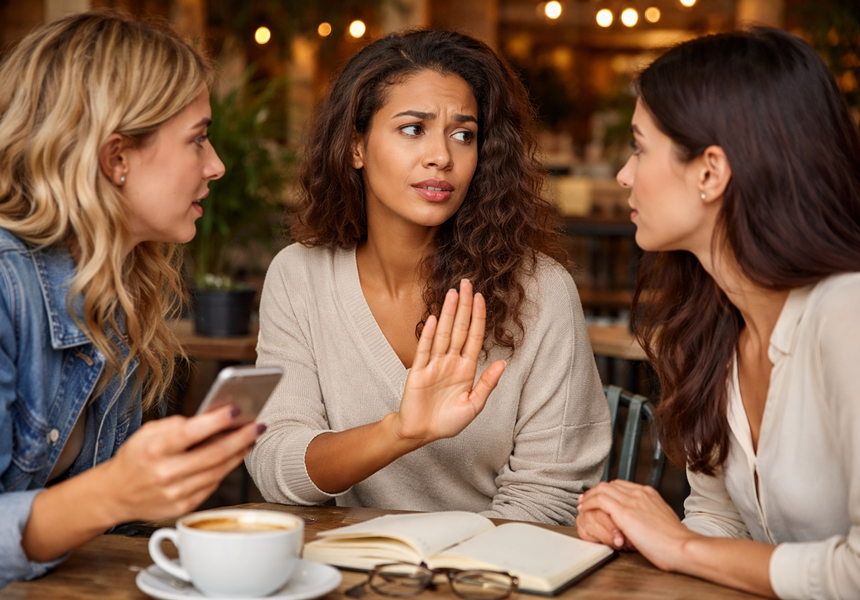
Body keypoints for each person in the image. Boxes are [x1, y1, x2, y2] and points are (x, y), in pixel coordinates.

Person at [246, 29, 610, 525]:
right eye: (413, 128)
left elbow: (551, 495)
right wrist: (399, 431)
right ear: (355, 145)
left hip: (499, 574)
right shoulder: (299, 276)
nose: (442, 155)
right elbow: (275, 465)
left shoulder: (540, 290)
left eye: (464, 134)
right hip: (358, 565)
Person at [0, 12, 264, 597]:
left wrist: (161, 485)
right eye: (198, 139)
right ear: (116, 157)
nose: (216, 165)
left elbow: (109, 540)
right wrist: (114, 491)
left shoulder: (113, 289)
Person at [575, 28, 860, 599]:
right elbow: (723, 527)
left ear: (710, 172)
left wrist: (679, 547)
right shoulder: (711, 325)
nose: (624, 176)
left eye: (639, 147)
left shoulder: (844, 313)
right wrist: (642, 534)